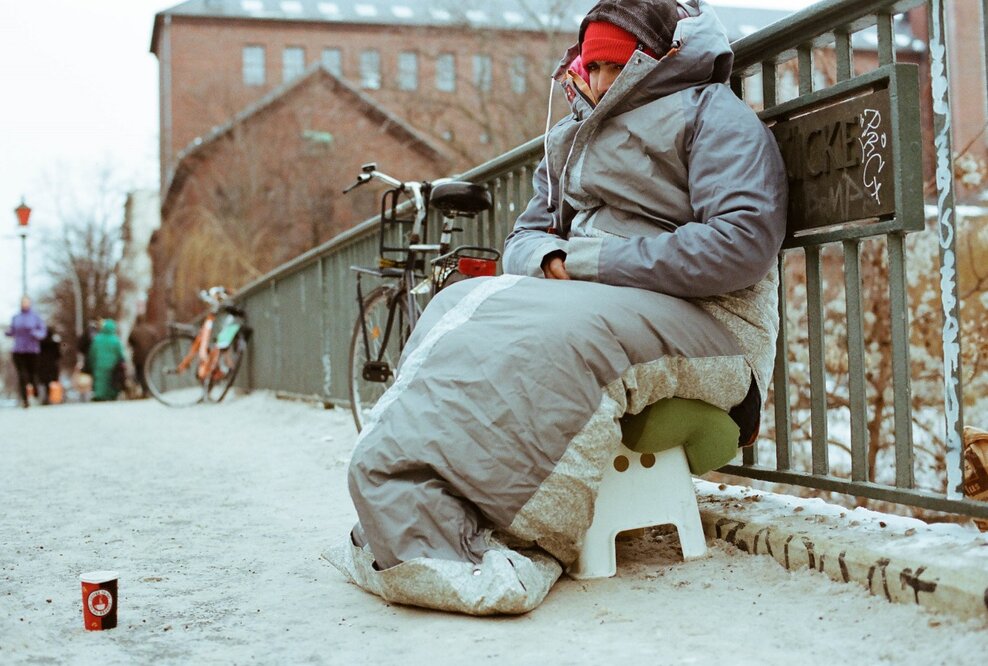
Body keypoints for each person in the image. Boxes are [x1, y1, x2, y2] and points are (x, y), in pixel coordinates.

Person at [328, 0, 786, 615]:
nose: (595, 80)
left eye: (613, 65)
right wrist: (550, 263)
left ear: (652, 62)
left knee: (566, 340)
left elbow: (741, 244)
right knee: (458, 302)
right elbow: (524, 237)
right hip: (600, 298)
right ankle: (410, 510)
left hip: (714, 327)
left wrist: (591, 261)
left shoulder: (713, 116)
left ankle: (517, 530)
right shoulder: (572, 135)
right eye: (589, 64)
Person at [5, 296, 47, 408]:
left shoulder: (35, 317)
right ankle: (25, 400)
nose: (24, 304)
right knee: (22, 375)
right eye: (23, 302)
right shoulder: (16, 317)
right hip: (18, 350)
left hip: (32, 350)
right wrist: (8, 332)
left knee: (32, 374)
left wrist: (35, 333)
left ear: (30, 303)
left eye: (26, 302)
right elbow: (12, 331)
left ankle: (35, 392)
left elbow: (43, 332)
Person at [87, 319, 126, 402]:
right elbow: (120, 353)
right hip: (112, 364)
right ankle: (111, 395)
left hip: (99, 364)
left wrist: (91, 363)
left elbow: (92, 353)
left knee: (100, 381)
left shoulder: (97, 339)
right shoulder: (115, 340)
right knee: (111, 381)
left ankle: (100, 395)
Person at [127, 315, 157, 398]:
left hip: (138, 357)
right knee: (148, 373)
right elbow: (156, 341)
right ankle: (148, 390)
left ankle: (143, 391)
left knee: (140, 374)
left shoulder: (134, 331)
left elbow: (129, 342)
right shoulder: (150, 330)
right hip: (150, 355)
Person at [37, 328, 63, 405]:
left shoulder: (40, 344)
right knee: (51, 383)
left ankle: (43, 398)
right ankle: (53, 398)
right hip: (52, 366)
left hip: (41, 366)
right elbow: (58, 355)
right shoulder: (54, 344)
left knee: (43, 382)